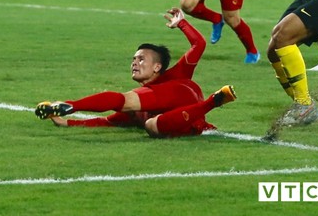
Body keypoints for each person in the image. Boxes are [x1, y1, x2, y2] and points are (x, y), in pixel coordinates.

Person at [35, 8, 237, 138]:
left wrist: (182, 23)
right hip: (185, 123)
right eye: (133, 59)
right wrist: (68, 123)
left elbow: (199, 44)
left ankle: (70, 104)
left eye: (141, 59)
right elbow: (106, 121)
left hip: (185, 95)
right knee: (151, 125)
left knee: (132, 105)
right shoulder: (140, 105)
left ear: (157, 67)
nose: (134, 63)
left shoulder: (176, 74)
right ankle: (214, 101)